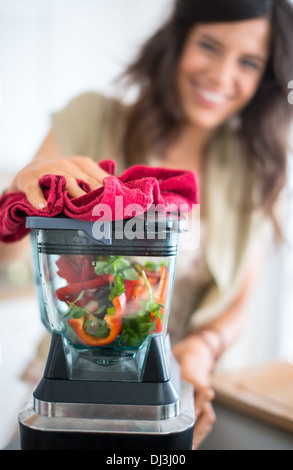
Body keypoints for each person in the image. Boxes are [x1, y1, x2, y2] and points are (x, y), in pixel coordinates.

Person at [3, 0, 293, 449]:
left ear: (265, 79)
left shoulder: (250, 168)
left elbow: (238, 301)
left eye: (248, 62)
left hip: (174, 382)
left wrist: (201, 348)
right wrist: (18, 197)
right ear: (177, 42)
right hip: (68, 375)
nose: (221, 75)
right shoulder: (91, 118)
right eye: (210, 46)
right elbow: (10, 253)